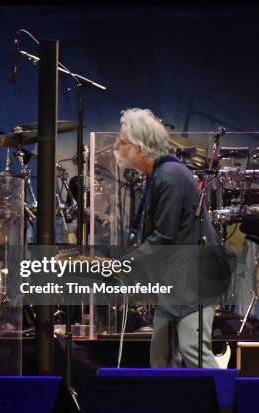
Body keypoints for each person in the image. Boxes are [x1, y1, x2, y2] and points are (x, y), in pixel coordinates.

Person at [114, 108, 230, 368]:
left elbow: (163, 237)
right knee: (161, 358)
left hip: (194, 281)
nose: (117, 148)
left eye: (122, 143)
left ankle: (227, 405)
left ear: (140, 146)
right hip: (177, 279)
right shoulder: (162, 174)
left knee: (193, 351)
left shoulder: (169, 177)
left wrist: (126, 263)